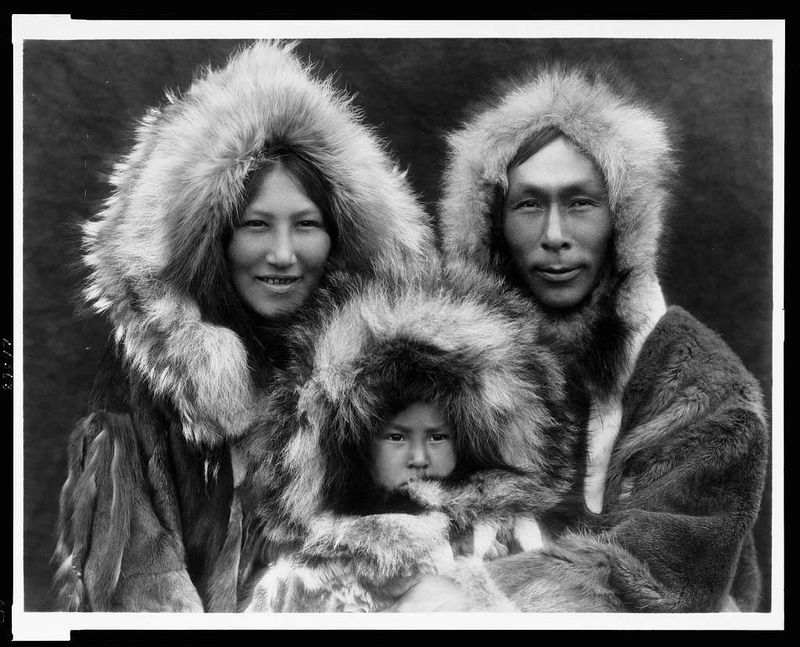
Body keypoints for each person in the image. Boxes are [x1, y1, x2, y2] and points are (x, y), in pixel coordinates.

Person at [52, 40, 435, 612]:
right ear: (216, 240)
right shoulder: (151, 387)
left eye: (305, 224)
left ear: (339, 238)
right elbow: (128, 581)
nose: (282, 254)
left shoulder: (387, 382)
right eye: (257, 224)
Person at [398, 61, 769, 613]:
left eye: (580, 203)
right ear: (492, 223)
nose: (554, 237)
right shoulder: (440, 359)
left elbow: (664, 577)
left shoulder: (707, 386)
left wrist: (467, 597)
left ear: (622, 219)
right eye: (529, 205)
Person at [234, 262, 585, 612]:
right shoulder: (301, 579)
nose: (419, 457)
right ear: (357, 450)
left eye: (437, 437)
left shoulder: (506, 540)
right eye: (397, 438)